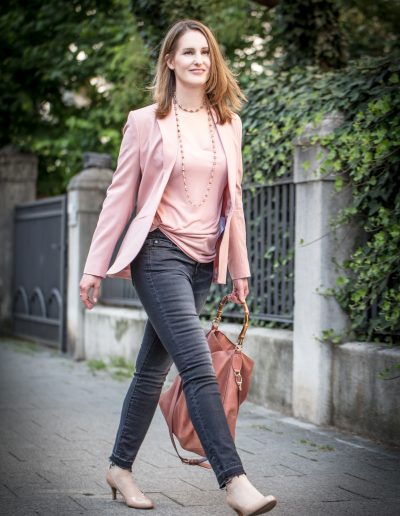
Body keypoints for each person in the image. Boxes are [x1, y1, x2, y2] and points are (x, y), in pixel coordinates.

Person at [79, 18, 277, 515]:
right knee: (196, 366)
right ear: (170, 60)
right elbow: (118, 197)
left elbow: (236, 202)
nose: (198, 60)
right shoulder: (146, 120)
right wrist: (93, 268)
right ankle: (234, 481)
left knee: (151, 371)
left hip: (201, 262)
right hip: (158, 252)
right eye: (188, 52)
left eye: (205, 53)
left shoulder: (228, 123)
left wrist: (240, 269)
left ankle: (119, 468)